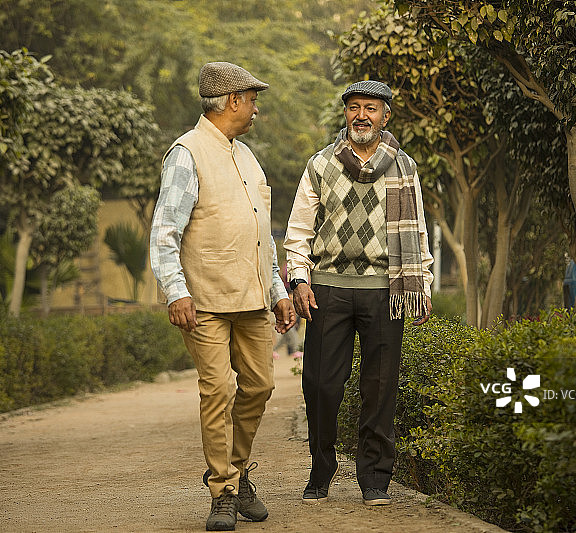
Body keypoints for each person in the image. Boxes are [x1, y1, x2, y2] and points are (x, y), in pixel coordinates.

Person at [150, 61, 296, 532]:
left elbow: (262, 235)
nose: (256, 109)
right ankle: (224, 491)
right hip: (205, 302)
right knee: (218, 390)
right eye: (252, 100)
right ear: (232, 101)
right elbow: (165, 231)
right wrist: (175, 291)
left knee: (260, 387)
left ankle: (236, 469)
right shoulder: (186, 154)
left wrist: (277, 289)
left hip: (252, 299)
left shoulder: (248, 157)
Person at [283, 80, 434, 507]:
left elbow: (418, 230)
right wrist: (299, 280)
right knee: (320, 385)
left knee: (379, 388)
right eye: (354, 107)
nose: (361, 115)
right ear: (345, 113)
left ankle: (374, 478)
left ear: (386, 116)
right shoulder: (320, 164)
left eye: (370, 107)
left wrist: (421, 283)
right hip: (327, 288)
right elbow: (299, 230)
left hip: (385, 290)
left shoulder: (405, 167)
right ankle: (321, 468)